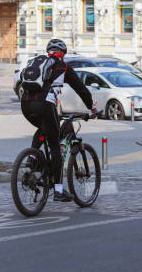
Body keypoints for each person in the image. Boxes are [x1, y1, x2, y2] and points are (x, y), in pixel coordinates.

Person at [20, 39, 97, 202]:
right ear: (63, 53)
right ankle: (58, 190)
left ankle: (32, 159)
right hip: (45, 105)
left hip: (25, 104)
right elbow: (81, 89)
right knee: (55, 146)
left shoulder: (37, 62)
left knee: (43, 129)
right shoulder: (62, 66)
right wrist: (92, 109)